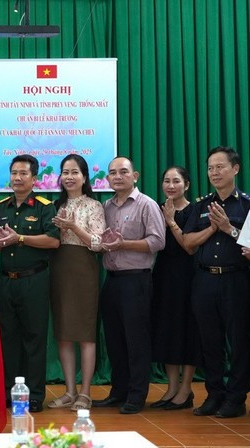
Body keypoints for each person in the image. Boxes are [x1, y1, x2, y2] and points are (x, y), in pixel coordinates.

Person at [92, 156, 165, 415]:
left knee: (136, 341)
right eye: (112, 173)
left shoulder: (147, 204)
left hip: (137, 280)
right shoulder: (106, 207)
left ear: (135, 176)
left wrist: (124, 245)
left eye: (123, 172)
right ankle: (118, 391)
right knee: (114, 340)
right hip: (111, 281)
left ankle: (136, 395)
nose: (118, 176)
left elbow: (157, 241)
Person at [182, 146, 250, 418]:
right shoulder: (201, 205)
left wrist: (228, 229)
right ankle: (214, 394)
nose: (214, 172)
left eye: (220, 166)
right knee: (209, 341)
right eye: (210, 167)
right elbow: (188, 242)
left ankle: (236, 398)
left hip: (236, 280)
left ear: (235, 169)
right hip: (204, 280)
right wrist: (211, 227)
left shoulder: (246, 204)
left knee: (239, 341)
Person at [0, 154, 60, 413]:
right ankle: (11, 391)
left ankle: (34, 395)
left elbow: (54, 241)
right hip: (6, 281)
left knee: (34, 338)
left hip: (34, 280)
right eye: (14, 173)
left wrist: (18, 238)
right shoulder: (0, 207)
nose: (17, 178)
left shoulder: (45, 206)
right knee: (8, 338)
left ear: (35, 179)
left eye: (23, 174)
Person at [47, 155, 105, 411]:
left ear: (84, 177)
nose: (69, 177)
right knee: (63, 333)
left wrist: (73, 227)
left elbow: (98, 243)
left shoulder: (94, 206)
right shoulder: (52, 205)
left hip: (84, 268)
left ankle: (85, 392)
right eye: (65, 172)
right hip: (59, 268)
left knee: (85, 333)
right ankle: (69, 391)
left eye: (74, 172)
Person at [150, 166, 199, 411]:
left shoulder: (195, 210)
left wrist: (170, 221)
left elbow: (188, 247)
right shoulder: (156, 207)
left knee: (187, 330)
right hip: (163, 275)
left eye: (176, 181)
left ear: (186, 185)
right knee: (166, 329)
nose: (171, 185)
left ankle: (186, 388)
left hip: (188, 276)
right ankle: (171, 388)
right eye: (167, 181)